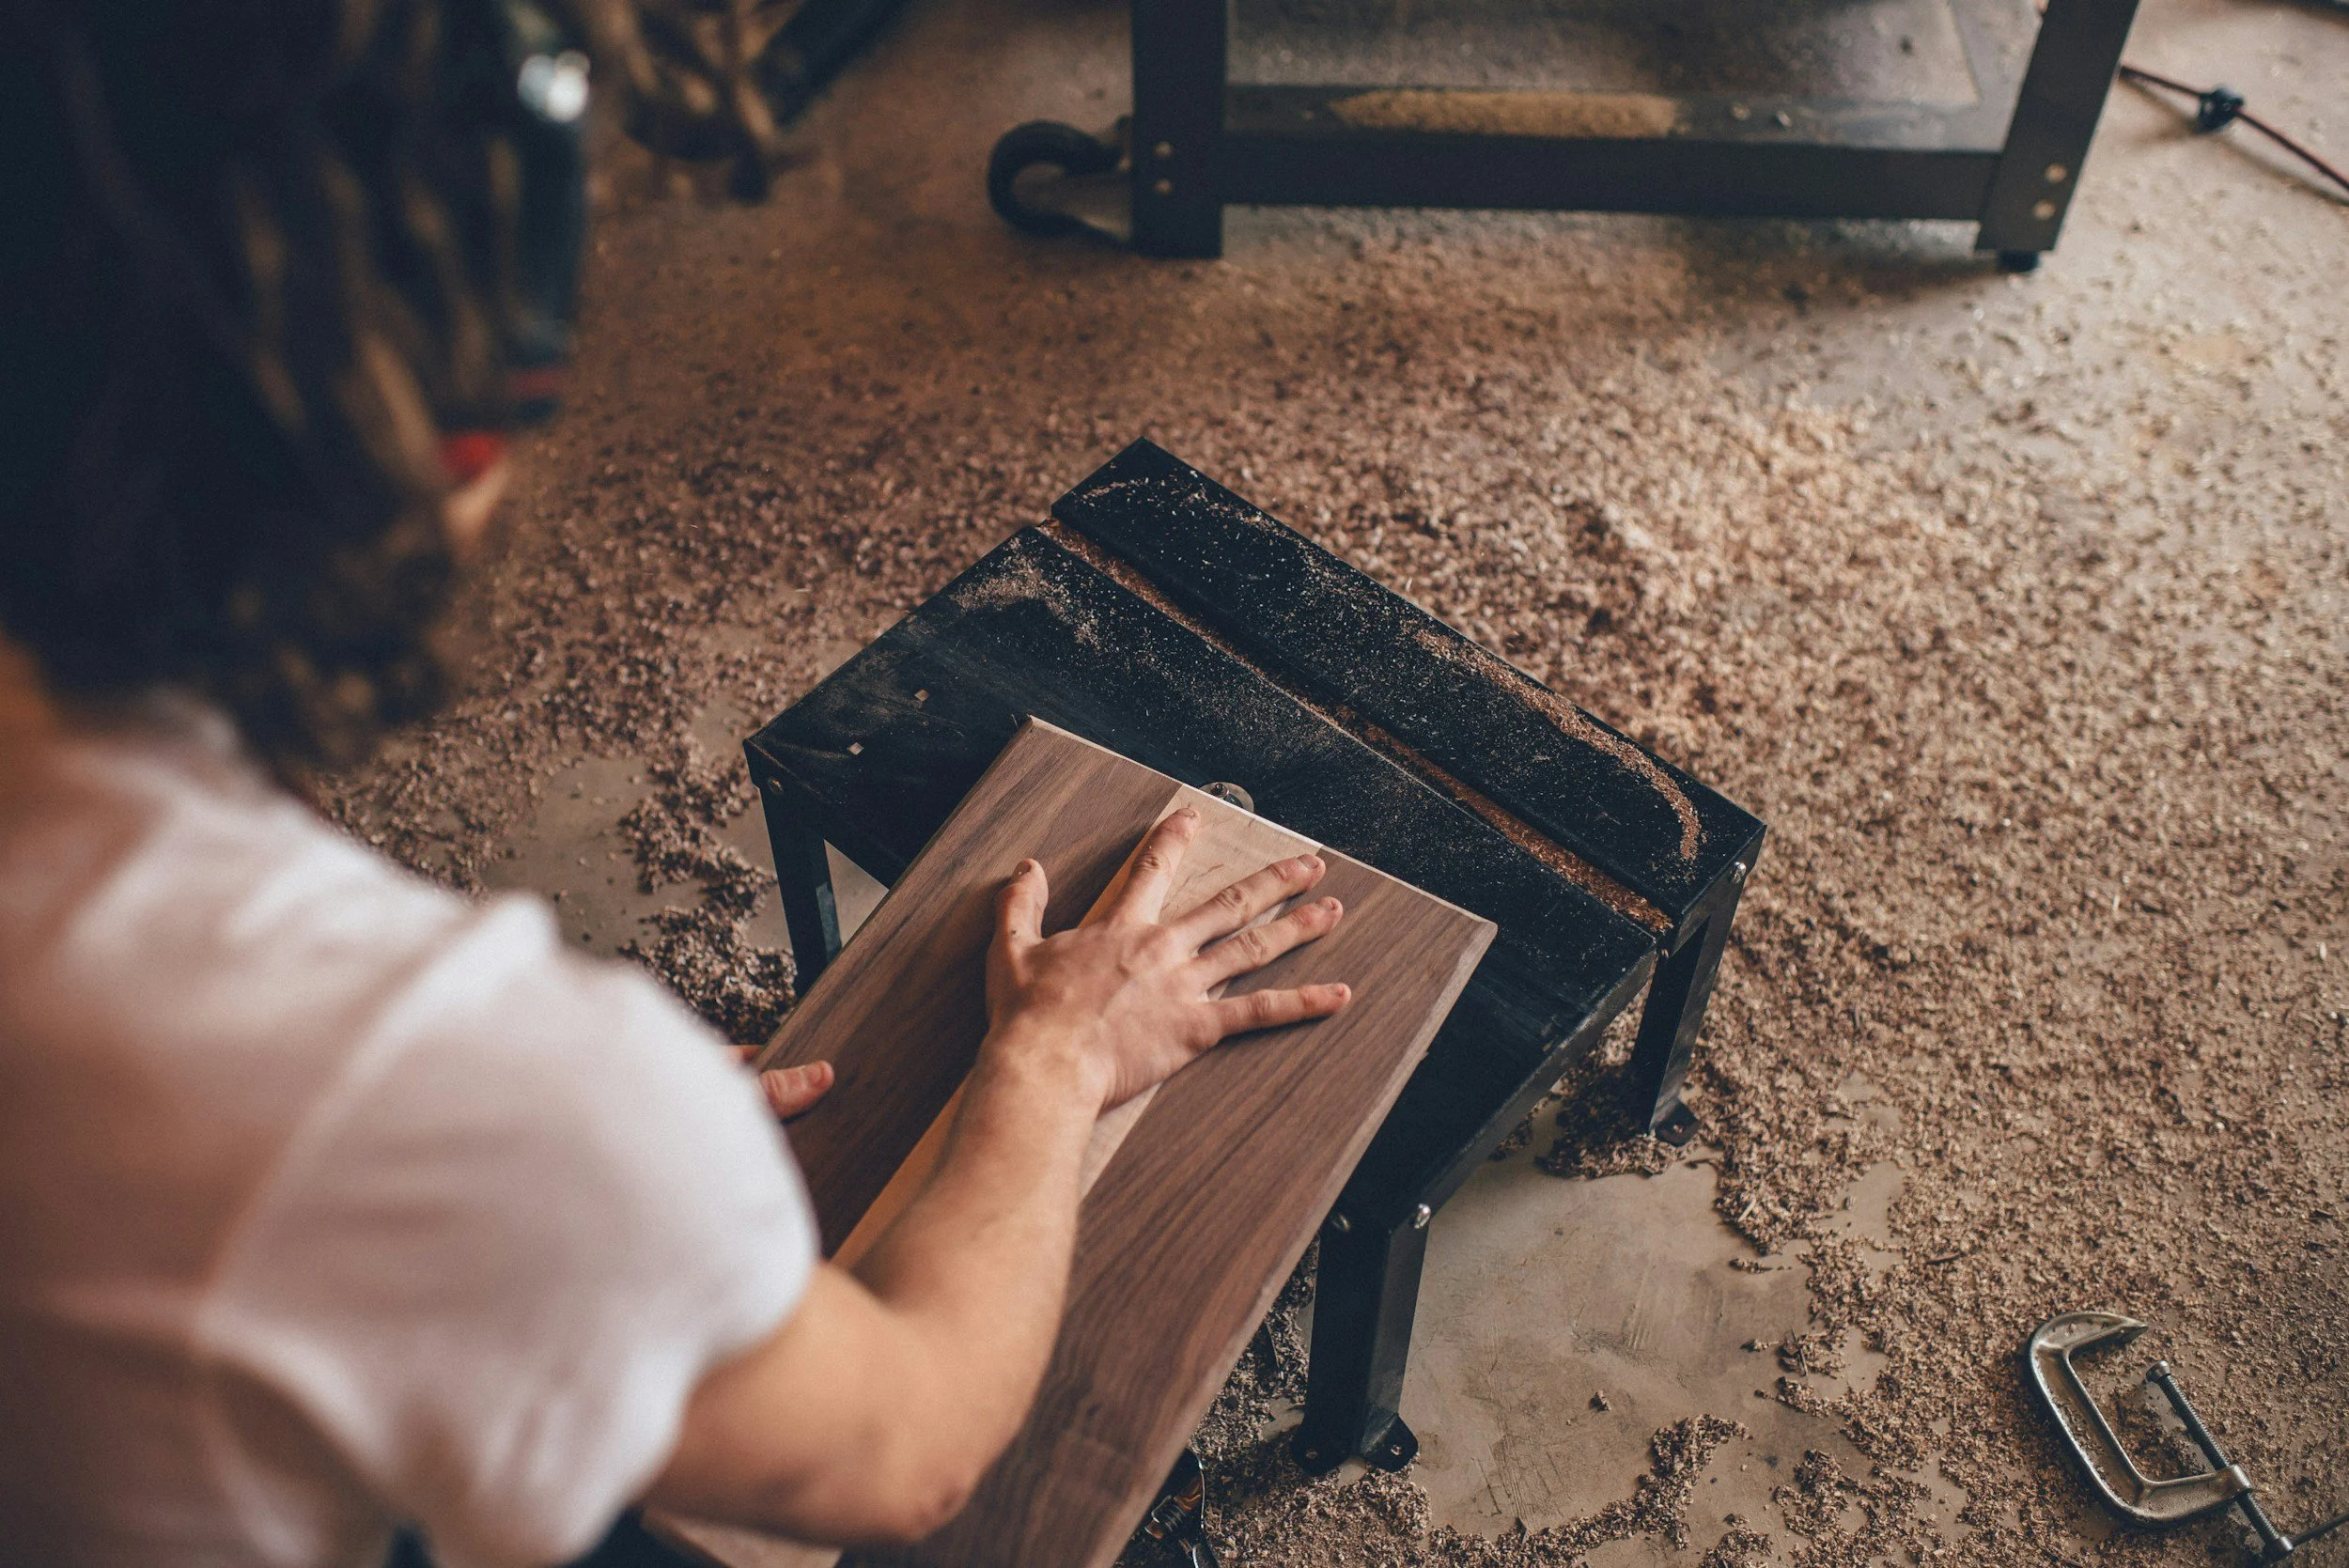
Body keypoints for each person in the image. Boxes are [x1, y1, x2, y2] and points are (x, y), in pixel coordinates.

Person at [0, 5, 1353, 1565]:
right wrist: (1058, 1054)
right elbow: (907, 1450)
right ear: (452, 418)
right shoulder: (412, 1094)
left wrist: (535, 1214)